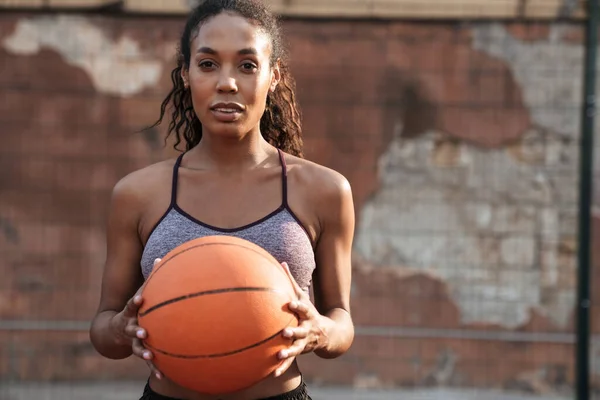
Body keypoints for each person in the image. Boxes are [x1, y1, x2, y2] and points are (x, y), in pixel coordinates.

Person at [89, 0, 355, 399]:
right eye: (208, 64)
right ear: (186, 75)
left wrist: (320, 330)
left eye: (247, 65)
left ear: (274, 77)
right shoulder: (138, 194)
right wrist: (121, 328)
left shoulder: (324, 191)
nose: (227, 83)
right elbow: (103, 329)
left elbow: (342, 323)